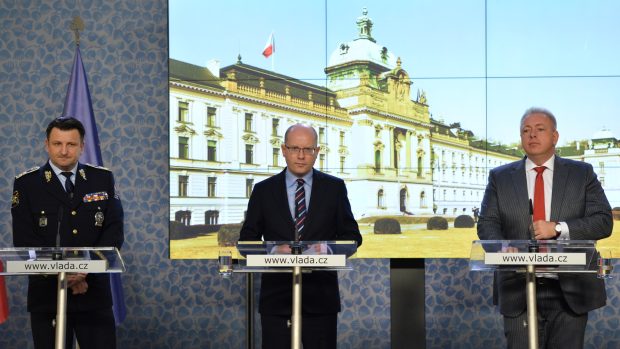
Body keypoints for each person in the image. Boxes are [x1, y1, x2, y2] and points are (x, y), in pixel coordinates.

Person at [477, 107, 612, 349]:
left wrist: (559, 228)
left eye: (540, 129)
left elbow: (603, 220)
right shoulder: (500, 177)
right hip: (518, 287)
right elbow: (487, 224)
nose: (532, 135)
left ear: (555, 137)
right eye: (526, 131)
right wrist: (504, 247)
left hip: (570, 290)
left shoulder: (582, 173)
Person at [239, 123, 362, 349]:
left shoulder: (335, 188)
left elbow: (353, 236)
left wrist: (327, 249)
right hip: (276, 300)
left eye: (308, 149)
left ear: (317, 151)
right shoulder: (263, 190)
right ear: (284, 150)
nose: (301, 156)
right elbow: (246, 241)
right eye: (295, 148)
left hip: (320, 300)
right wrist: (273, 250)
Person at [11, 117, 124, 349]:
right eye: (57, 144)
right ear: (46, 145)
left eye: (71, 144)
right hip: (48, 295)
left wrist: (83, 272)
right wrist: (64, 274)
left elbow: (113, 231)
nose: (64, 151)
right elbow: (24, 240)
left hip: (93, 294)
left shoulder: (101, 178)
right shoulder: (27, 184)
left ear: (82, 146)